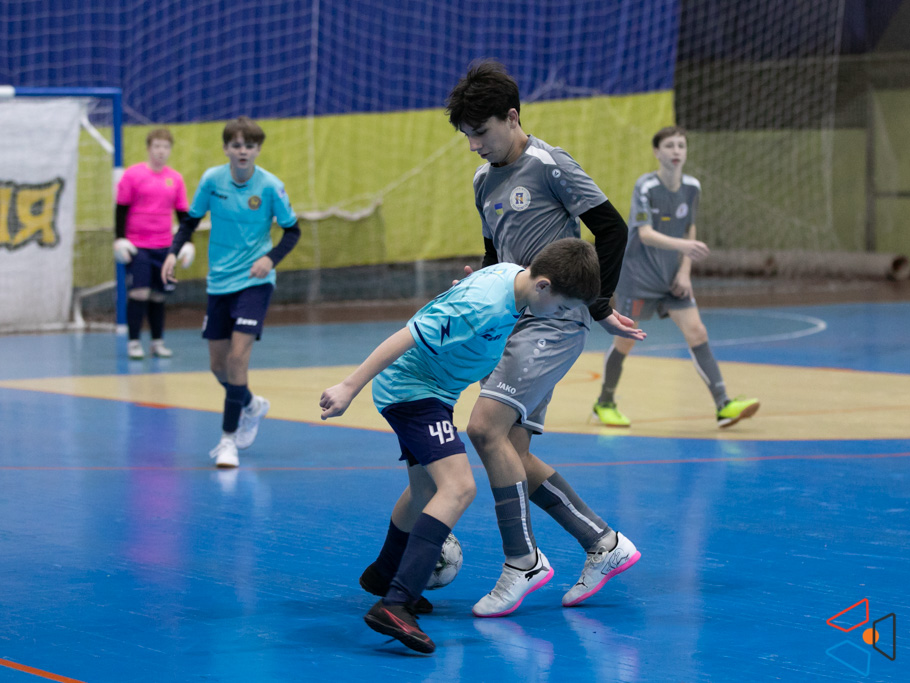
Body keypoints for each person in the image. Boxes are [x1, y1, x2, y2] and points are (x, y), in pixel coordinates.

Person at [320, 238, 602, 654]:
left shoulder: (513, 280)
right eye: (561, 306)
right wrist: (349, 387)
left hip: (433, 392)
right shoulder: (484, 306)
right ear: (543, 285)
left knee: (425, 490)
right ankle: (396, 603)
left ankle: (384, 573)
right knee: (459, 487)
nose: (559, 315)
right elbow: (407, 335)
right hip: (414, 392)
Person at [445, 60, 645, 618]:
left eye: (481, 132)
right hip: (512, 320)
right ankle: (603, 544)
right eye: (467, 136)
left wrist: (597, 304)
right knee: (511, 453)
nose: (474, 146)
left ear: (512, 117)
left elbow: (612, 229)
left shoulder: (551, 165)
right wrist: (480, 287)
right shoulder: (483, 180)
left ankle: (523, 562)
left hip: (554, 322)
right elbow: (495, 255)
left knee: (483, 429)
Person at [592, 126, 760, 428]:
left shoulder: (692, 187)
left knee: (697, 331)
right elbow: (644, 233)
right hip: (639, 278)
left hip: (672, 278)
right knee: (626, 341)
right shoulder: (645, 186)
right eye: (670, 146)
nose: (676, 151)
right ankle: (604, 403)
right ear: (657, 152)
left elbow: (688, 228)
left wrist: (685, 272)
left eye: (681, 145)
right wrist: (684, 247)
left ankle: (723, 405)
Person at [161, 116, 301, 468]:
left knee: (237, 359)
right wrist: (172, 252)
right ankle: (251, 404)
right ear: (226, 148)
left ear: (258, 150)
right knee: (218, 366)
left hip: (254, 282)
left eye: (249, 146)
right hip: (219, 282)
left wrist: (270, 259)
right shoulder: (212, 180)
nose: (243, 151)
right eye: (236, 145)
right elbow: (190, 221)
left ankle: (227, 441)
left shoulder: (270, 186)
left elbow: (292, 231)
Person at [113, 128, 192, 360]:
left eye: (165, 147)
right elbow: (121, 208)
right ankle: (134, 342)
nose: (161, 151)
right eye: (156, 146)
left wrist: (187, 243)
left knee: (159, 295)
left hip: (164, 246)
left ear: (170, 150)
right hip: (138, 246)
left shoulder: (175, 179)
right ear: (149, 148)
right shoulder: (133, 175)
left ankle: (157, 342)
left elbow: (183, 214)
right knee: (139, 292)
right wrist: (119, 238)